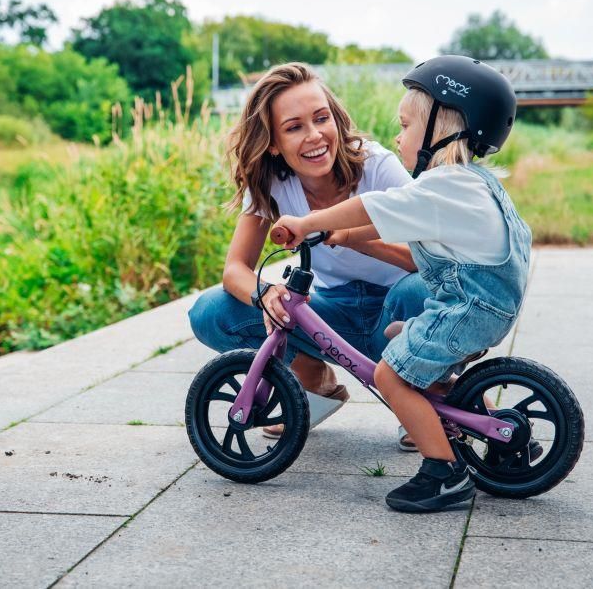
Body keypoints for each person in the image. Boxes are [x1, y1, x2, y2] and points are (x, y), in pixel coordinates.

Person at [271, 55, 532, 513]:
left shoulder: (442, 186)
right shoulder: (469, 183)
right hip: (479, 305)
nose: (397, 137)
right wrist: (339, 235)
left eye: (406, 125)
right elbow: (386, 220)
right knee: (397, 335)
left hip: (468, 308)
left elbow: (372, 207)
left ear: (440, 130)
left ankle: (444, 473)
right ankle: (491, 430)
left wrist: (307, 222)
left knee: (390, 374)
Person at [188, 62, 428, 438]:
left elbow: (427, 258)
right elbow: (235, 269)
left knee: (420, 290)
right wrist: (265, 294)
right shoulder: (272, 183)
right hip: (334, 317)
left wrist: (347, 234)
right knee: (212, 311)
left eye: (321, 118)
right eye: (294, 127)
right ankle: (309, 374)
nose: (315, 136)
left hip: (398, 312)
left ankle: (423, 399)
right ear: (273, 142)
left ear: (335, 118)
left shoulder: (377, 166)